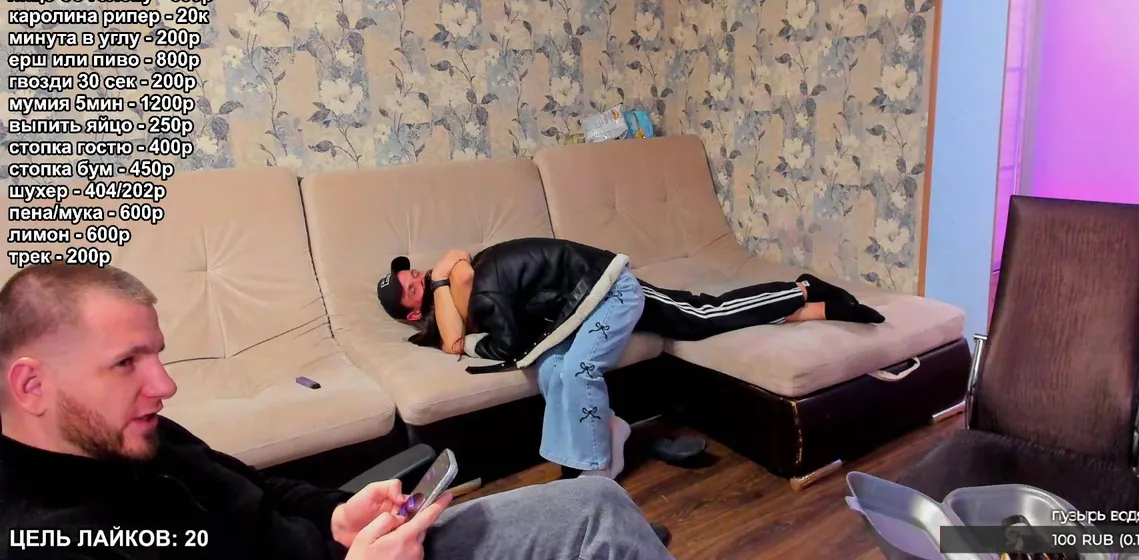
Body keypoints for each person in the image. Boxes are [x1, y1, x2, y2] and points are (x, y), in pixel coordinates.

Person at [0, 262, 675, 560]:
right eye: (126, 363)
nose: (164, 385)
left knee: (597, 504)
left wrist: (336, 513)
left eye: (157, 355)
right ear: (31, 385)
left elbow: (258, 489)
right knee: (597, 525)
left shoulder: (131, 434)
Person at [374, 237, 884, 479]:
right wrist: (444, 288)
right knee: (689, 317)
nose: (419, 278)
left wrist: (439, 282)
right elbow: (458, 327)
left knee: (699, 315)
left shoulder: (466, 283)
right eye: (411, 288)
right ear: (412, 314)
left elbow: (462, 298)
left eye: (413, 275)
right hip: (581, 302)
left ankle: (799, 290)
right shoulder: (461, 296)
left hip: (603, 288)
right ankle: (806, 304)